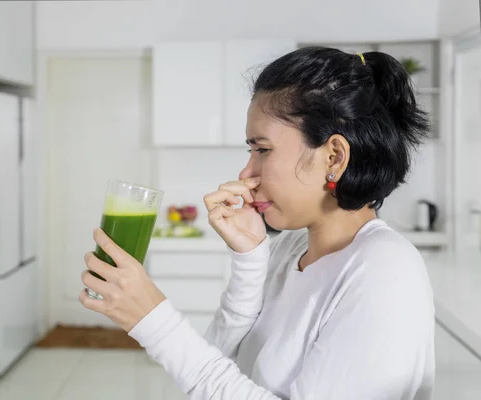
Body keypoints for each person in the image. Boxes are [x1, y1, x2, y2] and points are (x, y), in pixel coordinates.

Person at [79, 46, 435, 399]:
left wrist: (153, 320)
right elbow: (220, 360)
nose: (246, 173)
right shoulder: (294, 247)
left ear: (334, 157)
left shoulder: (385, 270)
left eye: (262, 150)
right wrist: (251, 260)